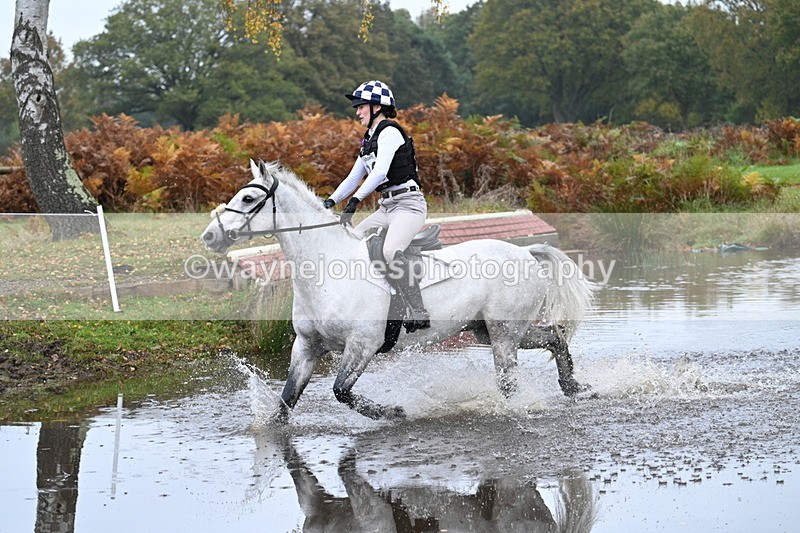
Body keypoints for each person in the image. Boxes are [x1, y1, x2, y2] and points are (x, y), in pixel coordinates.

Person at [323, 80, 430, 332]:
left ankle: (418, 310)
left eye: (361, 106)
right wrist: (329, 201)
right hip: (387, 208)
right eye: (357, 107)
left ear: (377, 107)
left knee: (391, 251)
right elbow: (353, 178)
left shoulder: (390, 132)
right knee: (352, 244)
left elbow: (380, 172)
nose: (357, 112)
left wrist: (355, 201)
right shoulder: (369, 139)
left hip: (409, 206)